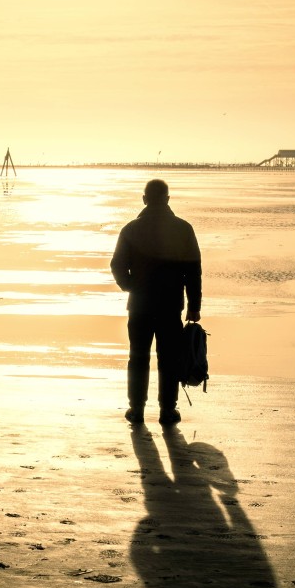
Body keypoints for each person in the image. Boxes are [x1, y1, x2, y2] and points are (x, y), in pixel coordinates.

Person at [110, 179, 202, 425]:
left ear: (144, 199)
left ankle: (136, 410)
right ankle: (167, 411)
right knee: (168, 358)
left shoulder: (131, 229)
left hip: (139, 304)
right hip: (171, 305)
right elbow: (193, 270)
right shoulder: (183, 228)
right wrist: (194, 305)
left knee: (138, 357)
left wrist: (132, 287)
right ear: (168, 200)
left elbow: (117, 265)